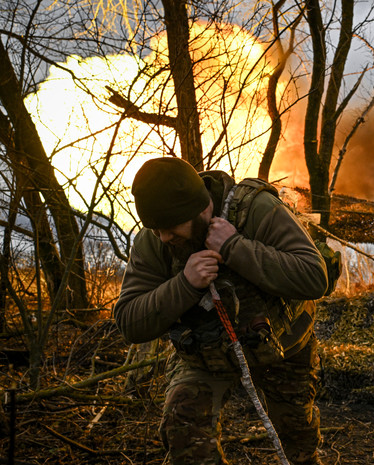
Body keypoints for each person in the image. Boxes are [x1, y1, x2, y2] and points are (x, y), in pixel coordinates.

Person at [114, 157, 328, 465]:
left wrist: (234, 247)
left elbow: (313, 277)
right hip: (206, 354)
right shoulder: (154, 239)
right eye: (157, 229)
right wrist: (185, 284)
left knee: (298, 441)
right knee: (183, 431)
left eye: (171, 228)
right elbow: (129, 322)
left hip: (283, 345)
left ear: (202, 210)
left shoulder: (256, 210)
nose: (163, 238)